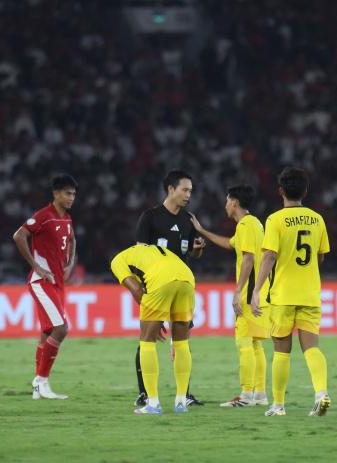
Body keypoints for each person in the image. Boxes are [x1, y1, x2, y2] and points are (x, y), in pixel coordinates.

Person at [251, 166, 331, 417]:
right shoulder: (318, 219)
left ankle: (278, 406)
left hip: (283, 295)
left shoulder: (275, 219)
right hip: (309, 293)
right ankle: (321, 393)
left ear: (280, 191)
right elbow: (319, 258)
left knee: (281, 351)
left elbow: (269, 256)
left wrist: (256, 290)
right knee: (312, 347)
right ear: (305, 191)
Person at [189, 184, 270, 407]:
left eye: (227, 201)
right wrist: (202, 230)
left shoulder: (245, 225)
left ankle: (245, 396)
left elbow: (248, 258)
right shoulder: (254, 224)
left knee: (243, 342)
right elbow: (231, 244)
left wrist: (237, 293)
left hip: (248, 294)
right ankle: (260, 396)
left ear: (235, 202)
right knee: (255, 344)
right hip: (261, 292)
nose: (225, 205)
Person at [133, 169, 206, 407]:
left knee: (182, 340)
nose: (188, 195)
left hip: (180, 287)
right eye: (185, 190)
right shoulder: (151, 217)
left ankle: (184, 394)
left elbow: (192, 254)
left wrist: (197, 247)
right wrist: (143, 287)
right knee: (148, 337)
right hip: (156, 287)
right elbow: (139, 253)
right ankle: (145, 393)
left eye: (191, 191)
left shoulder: (189, 220)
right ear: (171, 189)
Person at [13, 174, 77, 400]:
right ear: (56, 194)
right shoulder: (44, 216)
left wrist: (70, 262)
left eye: (73, 194)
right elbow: (19, 236)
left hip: (58, 283)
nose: (71, 198)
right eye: (67, 193)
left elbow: (72, 239)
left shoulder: (66, 219)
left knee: (48, 332)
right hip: (42, 282)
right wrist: (36, 267)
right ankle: (41, 381)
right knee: (61, 329)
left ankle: (37, 388)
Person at [111, 244, 196, 414]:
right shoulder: (148, 251)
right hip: (187, 277)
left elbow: (136, 288)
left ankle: (153, 403)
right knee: (181, 343)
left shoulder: (117, 261)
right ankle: (181, 402)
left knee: (147, 342)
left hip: (160, 279)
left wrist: (154, 319)